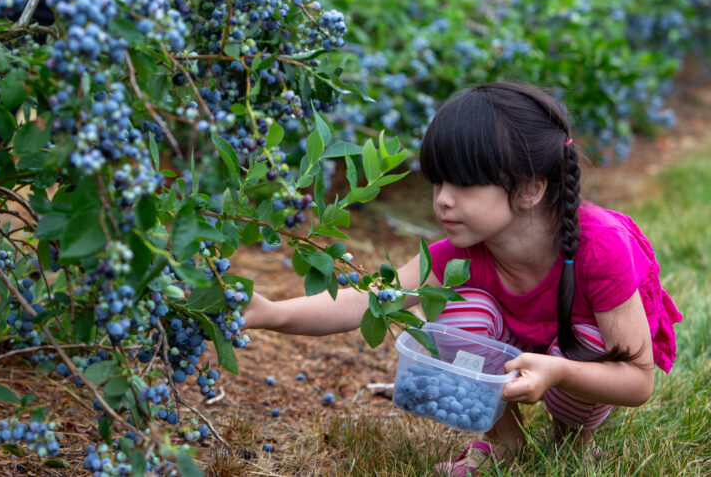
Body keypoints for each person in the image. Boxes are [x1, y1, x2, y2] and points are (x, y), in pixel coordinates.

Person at [243, 82, 682, 475]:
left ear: (530, 188)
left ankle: (573, 437)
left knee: (588, 345)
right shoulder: (460, 255)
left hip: (575, 350)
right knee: (447, 310)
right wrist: (269, 313)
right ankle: (504, 441)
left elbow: (638, 380)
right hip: (518, 350)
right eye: (437, 183)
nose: (442, 202)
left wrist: (558, 372)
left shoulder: (601, 246)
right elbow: (367, 299)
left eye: (463, 185)